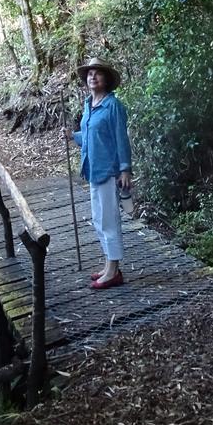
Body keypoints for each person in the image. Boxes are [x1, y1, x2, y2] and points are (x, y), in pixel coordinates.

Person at [67, 58, 132, 290]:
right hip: (93, 169)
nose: (92, 77)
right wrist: (73, 136)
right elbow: (91, 136)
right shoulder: (89, 104)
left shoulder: (113, 105)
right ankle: (108, 265)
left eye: (98, 73)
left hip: (109, 170)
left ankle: (114, 271)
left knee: (108, 220)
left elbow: (120, 138)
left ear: (106, 79)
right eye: (89, 73)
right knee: (98, 219)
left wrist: (125, 169)